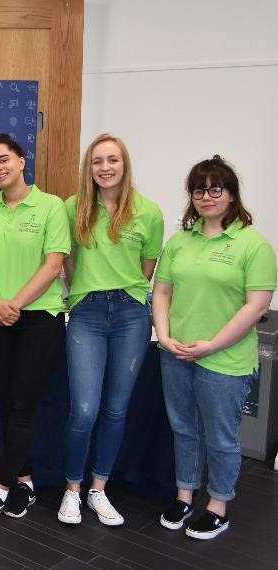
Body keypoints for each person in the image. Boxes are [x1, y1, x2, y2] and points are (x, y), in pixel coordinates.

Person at [153, 155, 275, 540]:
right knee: (183, 429)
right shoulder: (180, 241)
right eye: (199, 189)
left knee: (220, 436)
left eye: (215, 188)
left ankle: (218, 504)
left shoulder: (252, 244)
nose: (207, 196)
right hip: (176, 354)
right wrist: (164, 333)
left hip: (225, 360)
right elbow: (162, 290)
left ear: (232, 194)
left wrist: (212, 345)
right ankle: (185, 496)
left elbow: (256, 306)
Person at [57, 134, 164, 526]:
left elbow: (147, 270)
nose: (105, 168)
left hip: (131, 314)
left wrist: (124, 295)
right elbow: (66, 259)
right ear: (90, 167)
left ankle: (98, 489)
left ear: (124, 164)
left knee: (116, 409)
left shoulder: (148, 212)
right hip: (86, 313)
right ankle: (72, 490)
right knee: (84, 410)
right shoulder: (73, 208)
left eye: (112, 160)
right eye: (97, 161)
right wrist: (80, 294)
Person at [0, 133, 70, 525]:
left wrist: (16, 305)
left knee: (24, 403)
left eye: (4, 160)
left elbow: (54, 264)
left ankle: (0, 488)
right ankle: (25, 481)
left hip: (40, 318)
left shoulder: (51, 206)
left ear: (22, 161)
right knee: (8, 403)